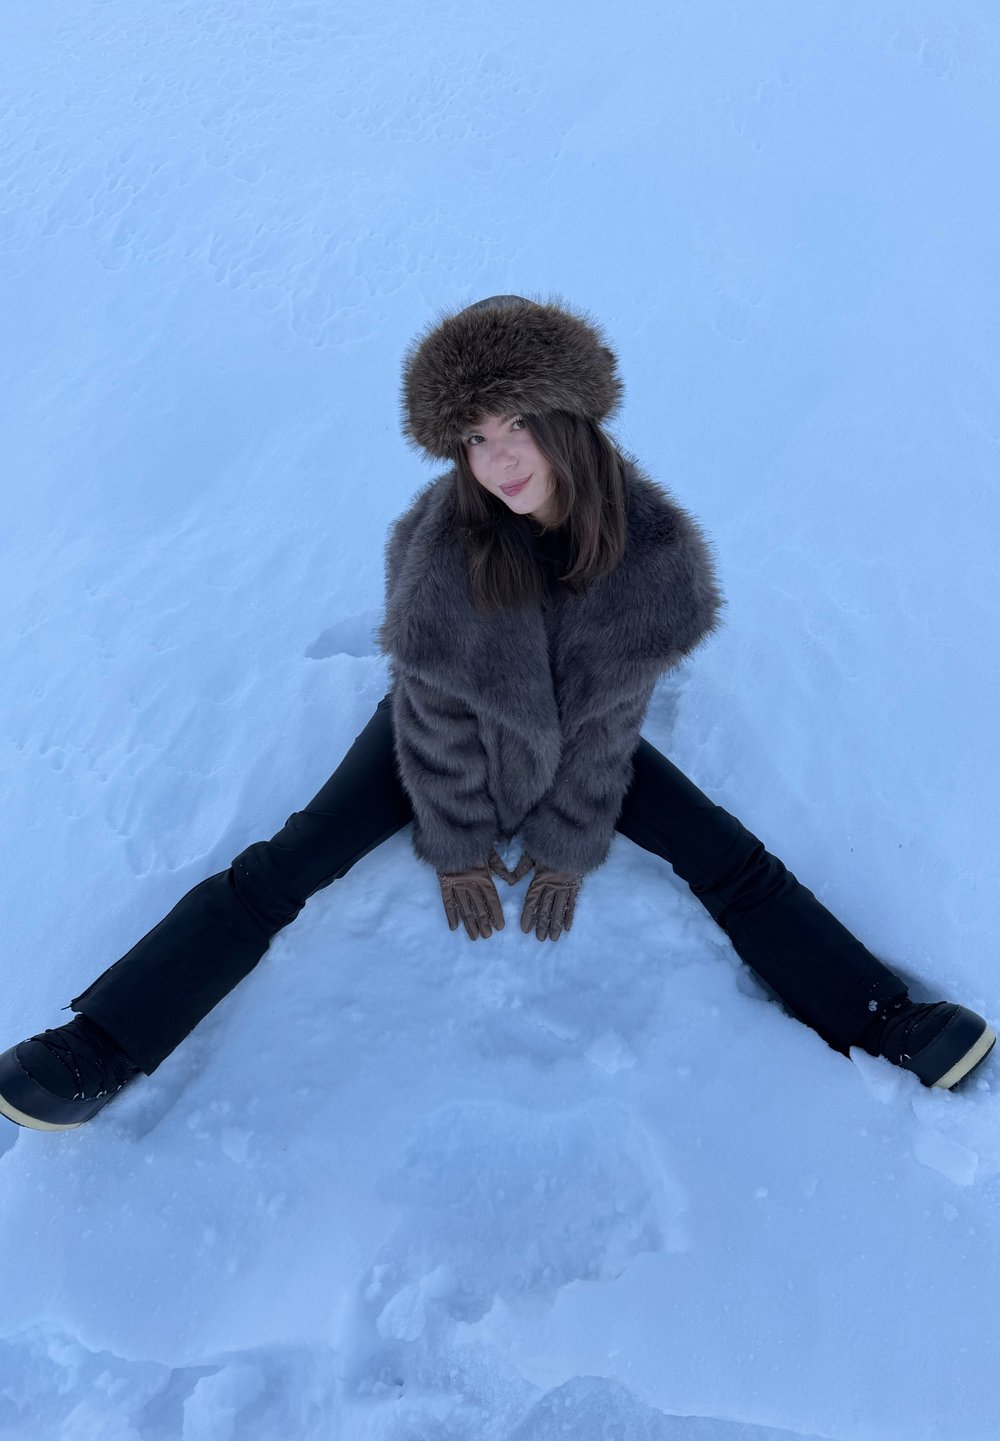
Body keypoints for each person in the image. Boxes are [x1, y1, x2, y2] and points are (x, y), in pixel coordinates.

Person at [0, 293, 993, 1133]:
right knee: (287, 862)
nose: (498, 459)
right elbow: (430, 707)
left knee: (725, 854)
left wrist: (563, 831)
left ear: (569, 419)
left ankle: (886, 1019)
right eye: (476, 438)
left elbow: (608, 714)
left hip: (578, 742)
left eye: (516, 427)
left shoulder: (649, 548)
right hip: (440, 732)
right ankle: (102, 1043)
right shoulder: (442, 538)